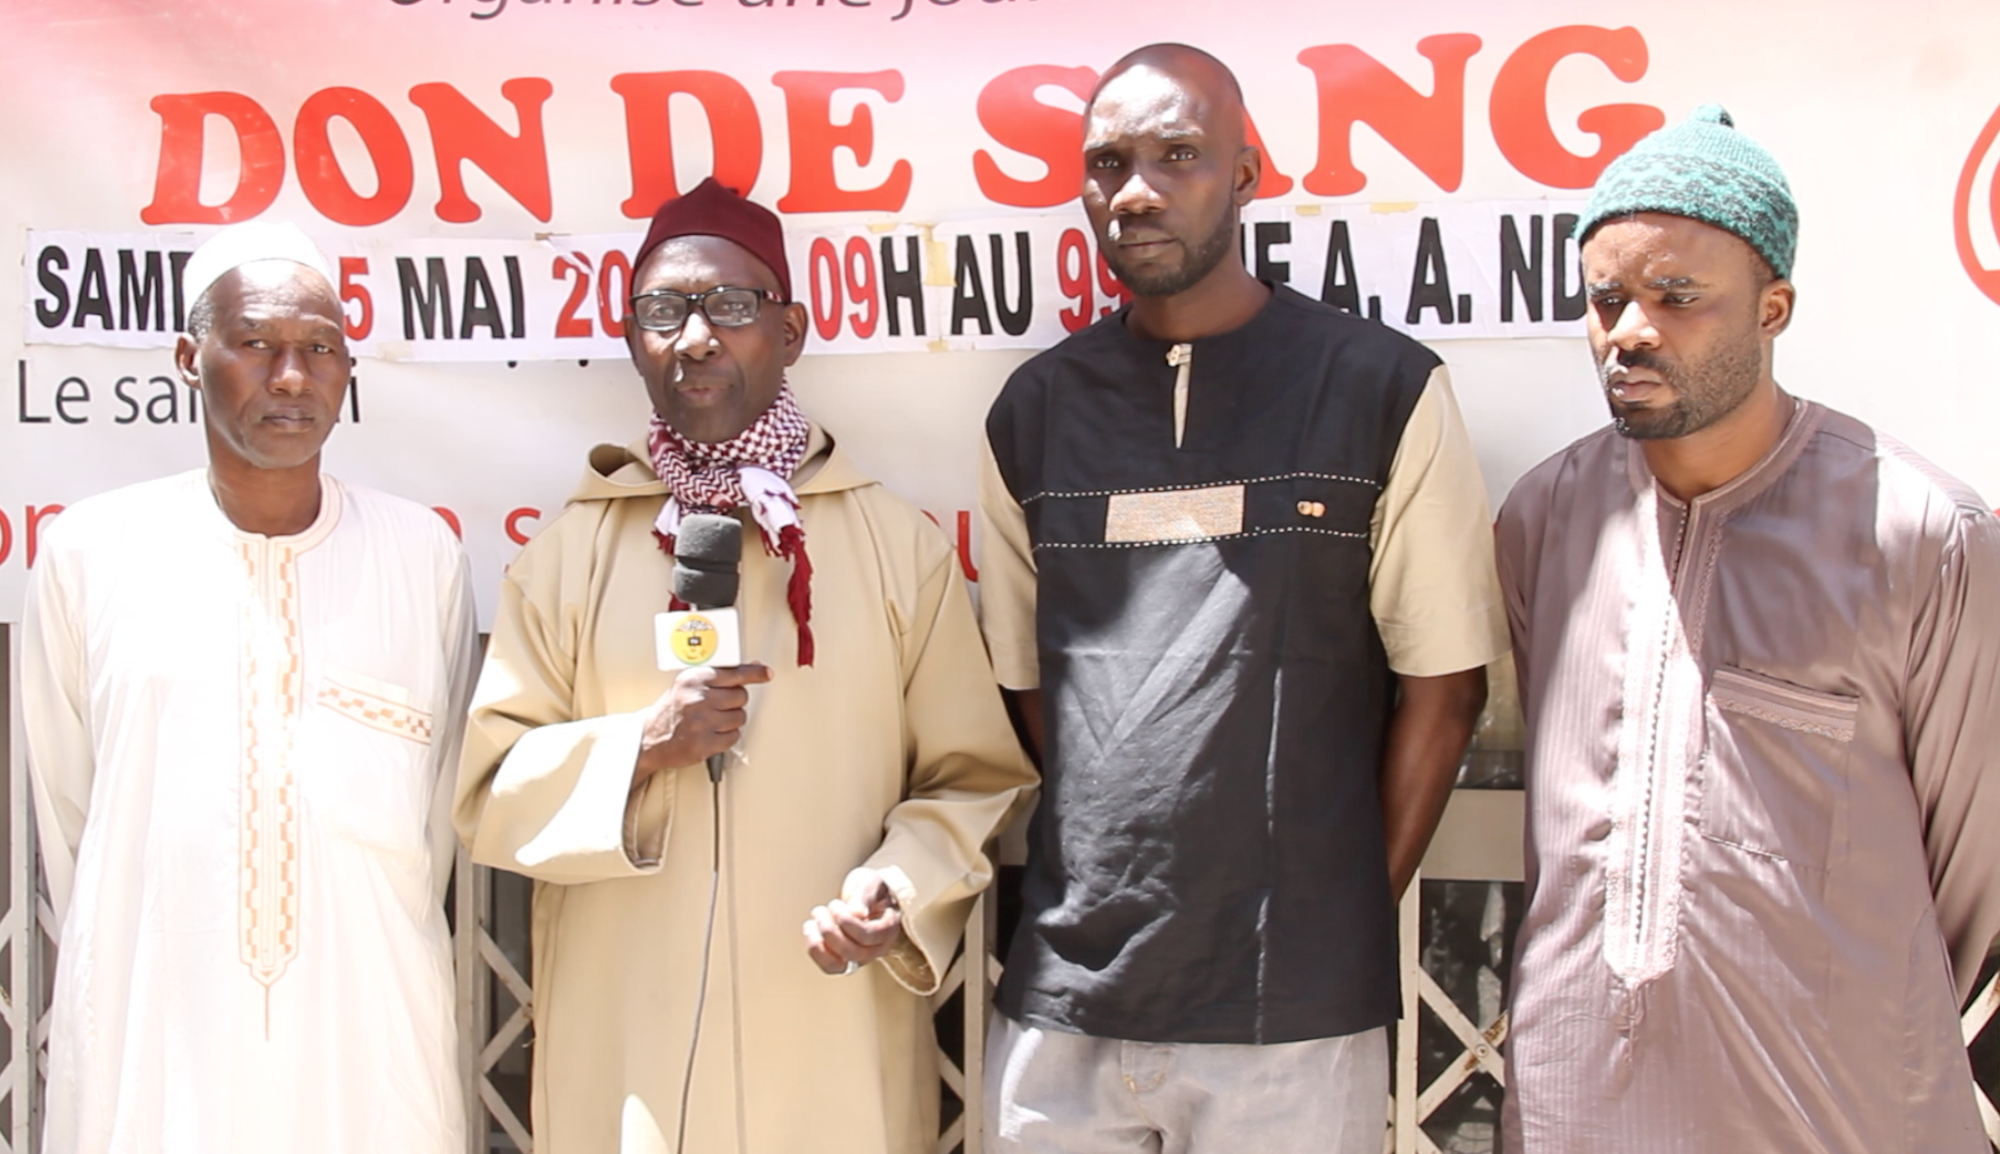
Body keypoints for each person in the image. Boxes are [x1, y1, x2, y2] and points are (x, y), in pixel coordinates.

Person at [977, 44, 1507, 1153]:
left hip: (1291, 1015)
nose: (1136, 190)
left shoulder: (1377, 387)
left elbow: (1445, 683)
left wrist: (1334, 909)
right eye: (1107, 162)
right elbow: (1030, 688)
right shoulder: (1031, 413)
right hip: (1067, 1003)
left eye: (1178, 155)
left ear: (1247, 174)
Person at [454, 177, 1036, 1154]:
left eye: (730, 304)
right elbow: (489, 791)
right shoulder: (569, 554)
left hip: (824, 1037)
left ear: (792, 328)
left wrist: (898, 889)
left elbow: (973, 778)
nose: (694, 337)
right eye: (661, 310)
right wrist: (638, 747)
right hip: (626, 1045)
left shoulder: (895, 546)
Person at [1497, 105, 2000, 1152]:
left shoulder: (1918, 531)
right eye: (1605, 298)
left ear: (1771, 306)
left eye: (1675, 296)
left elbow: (1974, 874)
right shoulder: (1545, 517)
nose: (1628, 328)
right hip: (1573, 1107)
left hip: (1840, 1114)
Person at [20, 221, 474, 1153]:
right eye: (257, 345)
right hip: (153, 1035)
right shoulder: (90, 553)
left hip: (368, 1032)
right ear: (191, 357)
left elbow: (435, 820)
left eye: (319, 350)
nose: (292, 378)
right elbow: (77, 812)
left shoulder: (419, 552)